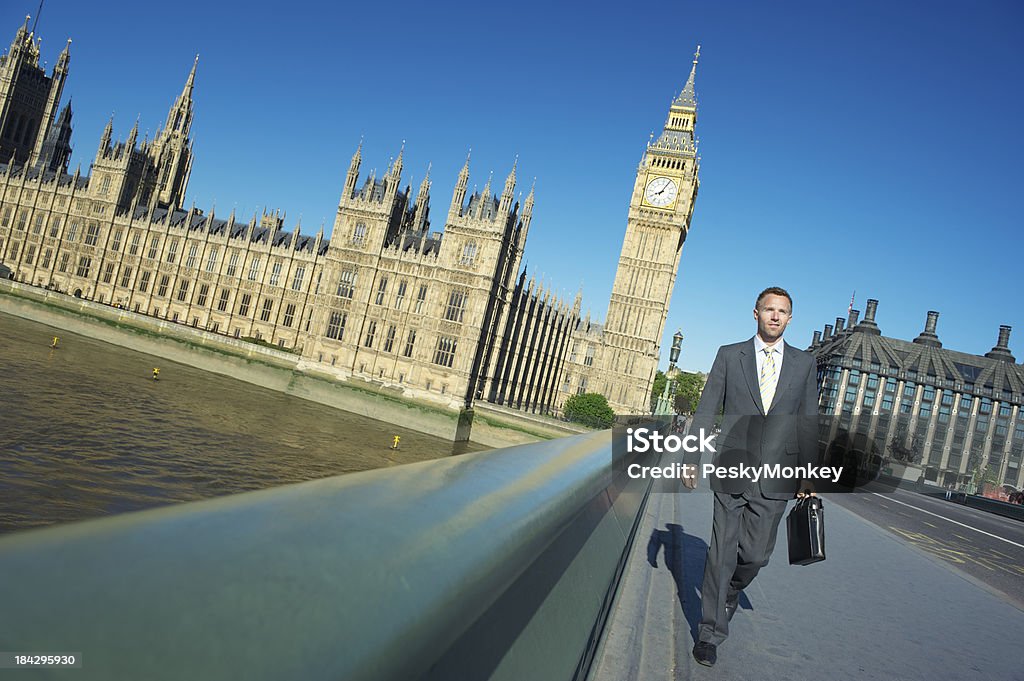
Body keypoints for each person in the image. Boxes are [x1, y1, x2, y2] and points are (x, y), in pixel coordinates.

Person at [682, 286, 820, 667]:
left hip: (777, 474)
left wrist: (808, 475)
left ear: (790, 318)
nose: (775, 316)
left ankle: (732, 588)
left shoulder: (804, 364)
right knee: (720, 553)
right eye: (769, 309)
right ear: (756, 313)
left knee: (756, 555)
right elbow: (708, 407)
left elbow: (808, 422)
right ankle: (710, 632)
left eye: (783, 311)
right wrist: (691, 457)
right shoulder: (730, 355)